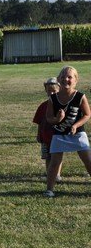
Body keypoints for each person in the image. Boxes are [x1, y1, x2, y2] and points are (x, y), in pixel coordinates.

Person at [44, 66, 91, 197]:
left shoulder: (80, 96)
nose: (66, 79)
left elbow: (87, 114)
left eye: (70, 77)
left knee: (88, 160)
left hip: (78, 134)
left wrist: (76, 125)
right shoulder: (53, 99)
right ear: (58, 79)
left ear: (76, 80)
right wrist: (57, 119)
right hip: (59, 134)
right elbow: (48, 118)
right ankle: (49, 190)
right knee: (54, 163)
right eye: (63, 76)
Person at [33, 77, 63, 181]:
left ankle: (57, 175)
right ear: (46, 90)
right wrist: (38, 135)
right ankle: (49, 173)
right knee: (48, 157)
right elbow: (39, 122)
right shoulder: (43, 106)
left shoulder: (61, 106)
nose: (51, 93)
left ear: (59, 90)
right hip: (45, 137)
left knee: (57, 156)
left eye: (54, 91)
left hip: (57, 136)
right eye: (49, 91)